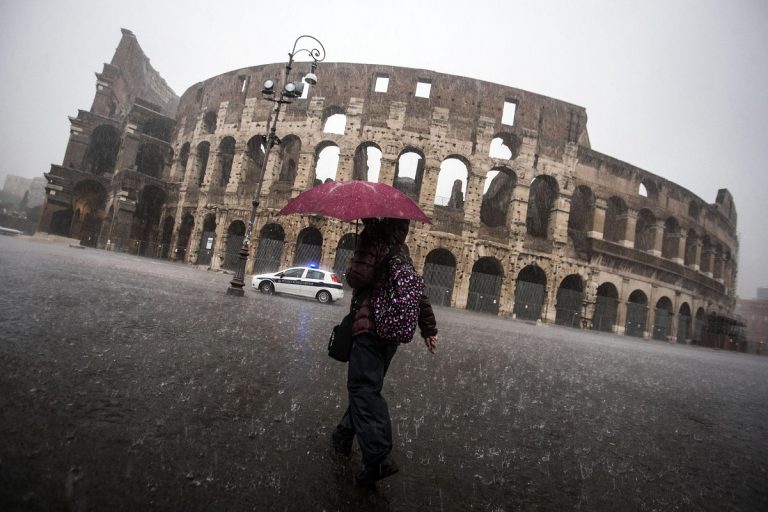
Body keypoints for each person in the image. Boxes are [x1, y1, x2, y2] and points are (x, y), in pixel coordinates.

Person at [332, 217, 438, 486]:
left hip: (370, 326)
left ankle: (379, 458)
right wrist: (429, 329)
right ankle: (344, 434)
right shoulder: (401, 250)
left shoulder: (371, 237)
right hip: (391, 333)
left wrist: (351, 266)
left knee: (363, 388)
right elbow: (417, 292)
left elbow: (360, 278)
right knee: (368, 387)